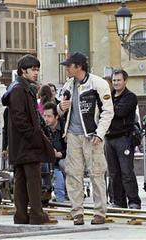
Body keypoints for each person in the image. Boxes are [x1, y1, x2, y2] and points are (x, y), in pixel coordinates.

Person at [58, 52, 114, 225]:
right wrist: (61, 107)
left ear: (79, 67)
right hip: (73, 136)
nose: (66, 68)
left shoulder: (98, 84)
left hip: (92, 136)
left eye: (69, 65)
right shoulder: (68, 84)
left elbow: (108, 111)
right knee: (73, 174)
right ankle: (77, 213)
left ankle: (99, 212)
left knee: (97, 173)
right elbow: (59, 110)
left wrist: (100, 133)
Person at [1, 54, 56, 225]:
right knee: (32, 181)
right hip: (26, 144)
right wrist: (34, 137)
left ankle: (22, 216)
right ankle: (36, 215)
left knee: (23, 180)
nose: (36, 72)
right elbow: (19, 119)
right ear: (23, 70)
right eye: (33, 69)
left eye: (37, 69)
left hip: (22, 144)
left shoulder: (21, 87)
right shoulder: (19, 89)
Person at [104, 69, 141, 209]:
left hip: (123, 138)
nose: (116, 83)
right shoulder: (109, 96)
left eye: (119, 80)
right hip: (109, 138)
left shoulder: (130, 97)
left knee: (127, 172)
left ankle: (134, 201)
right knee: (113, 173)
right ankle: (119, 202)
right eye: (114, 80)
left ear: (125, 81)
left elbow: (120, 112)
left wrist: (107, 107)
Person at [43, 102, 67, 202]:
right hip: (49, 160)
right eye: (44, 116)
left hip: (63, 158)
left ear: (56, 116)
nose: (46, 119)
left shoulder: (64, 128)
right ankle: (48, 193)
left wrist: (60, 154)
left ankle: (63, 196)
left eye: (49, 116)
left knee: (62, 166)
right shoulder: (44, 128)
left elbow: (70, 147)